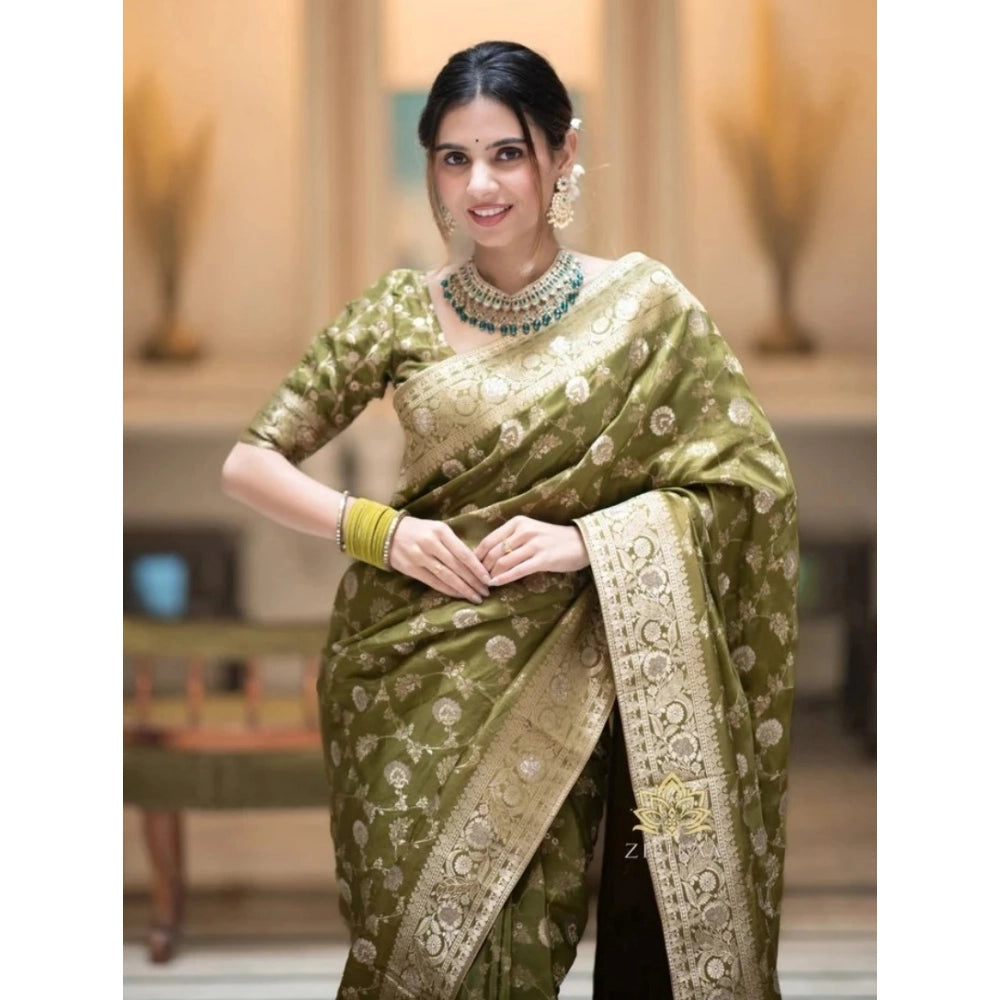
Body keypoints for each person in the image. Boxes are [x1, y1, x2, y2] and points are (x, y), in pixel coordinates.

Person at [222, 40, 798, 1000]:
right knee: (409, 950)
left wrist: (587, 543)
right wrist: (383, 531)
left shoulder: (645, 310)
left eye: (508, 154)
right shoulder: (400, 311)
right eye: (455, 158)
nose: (480, 185)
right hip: (406, 677)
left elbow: (750, 489)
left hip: (571, 681)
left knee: (522, 949)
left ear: (562, 153)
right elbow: (249, 462)